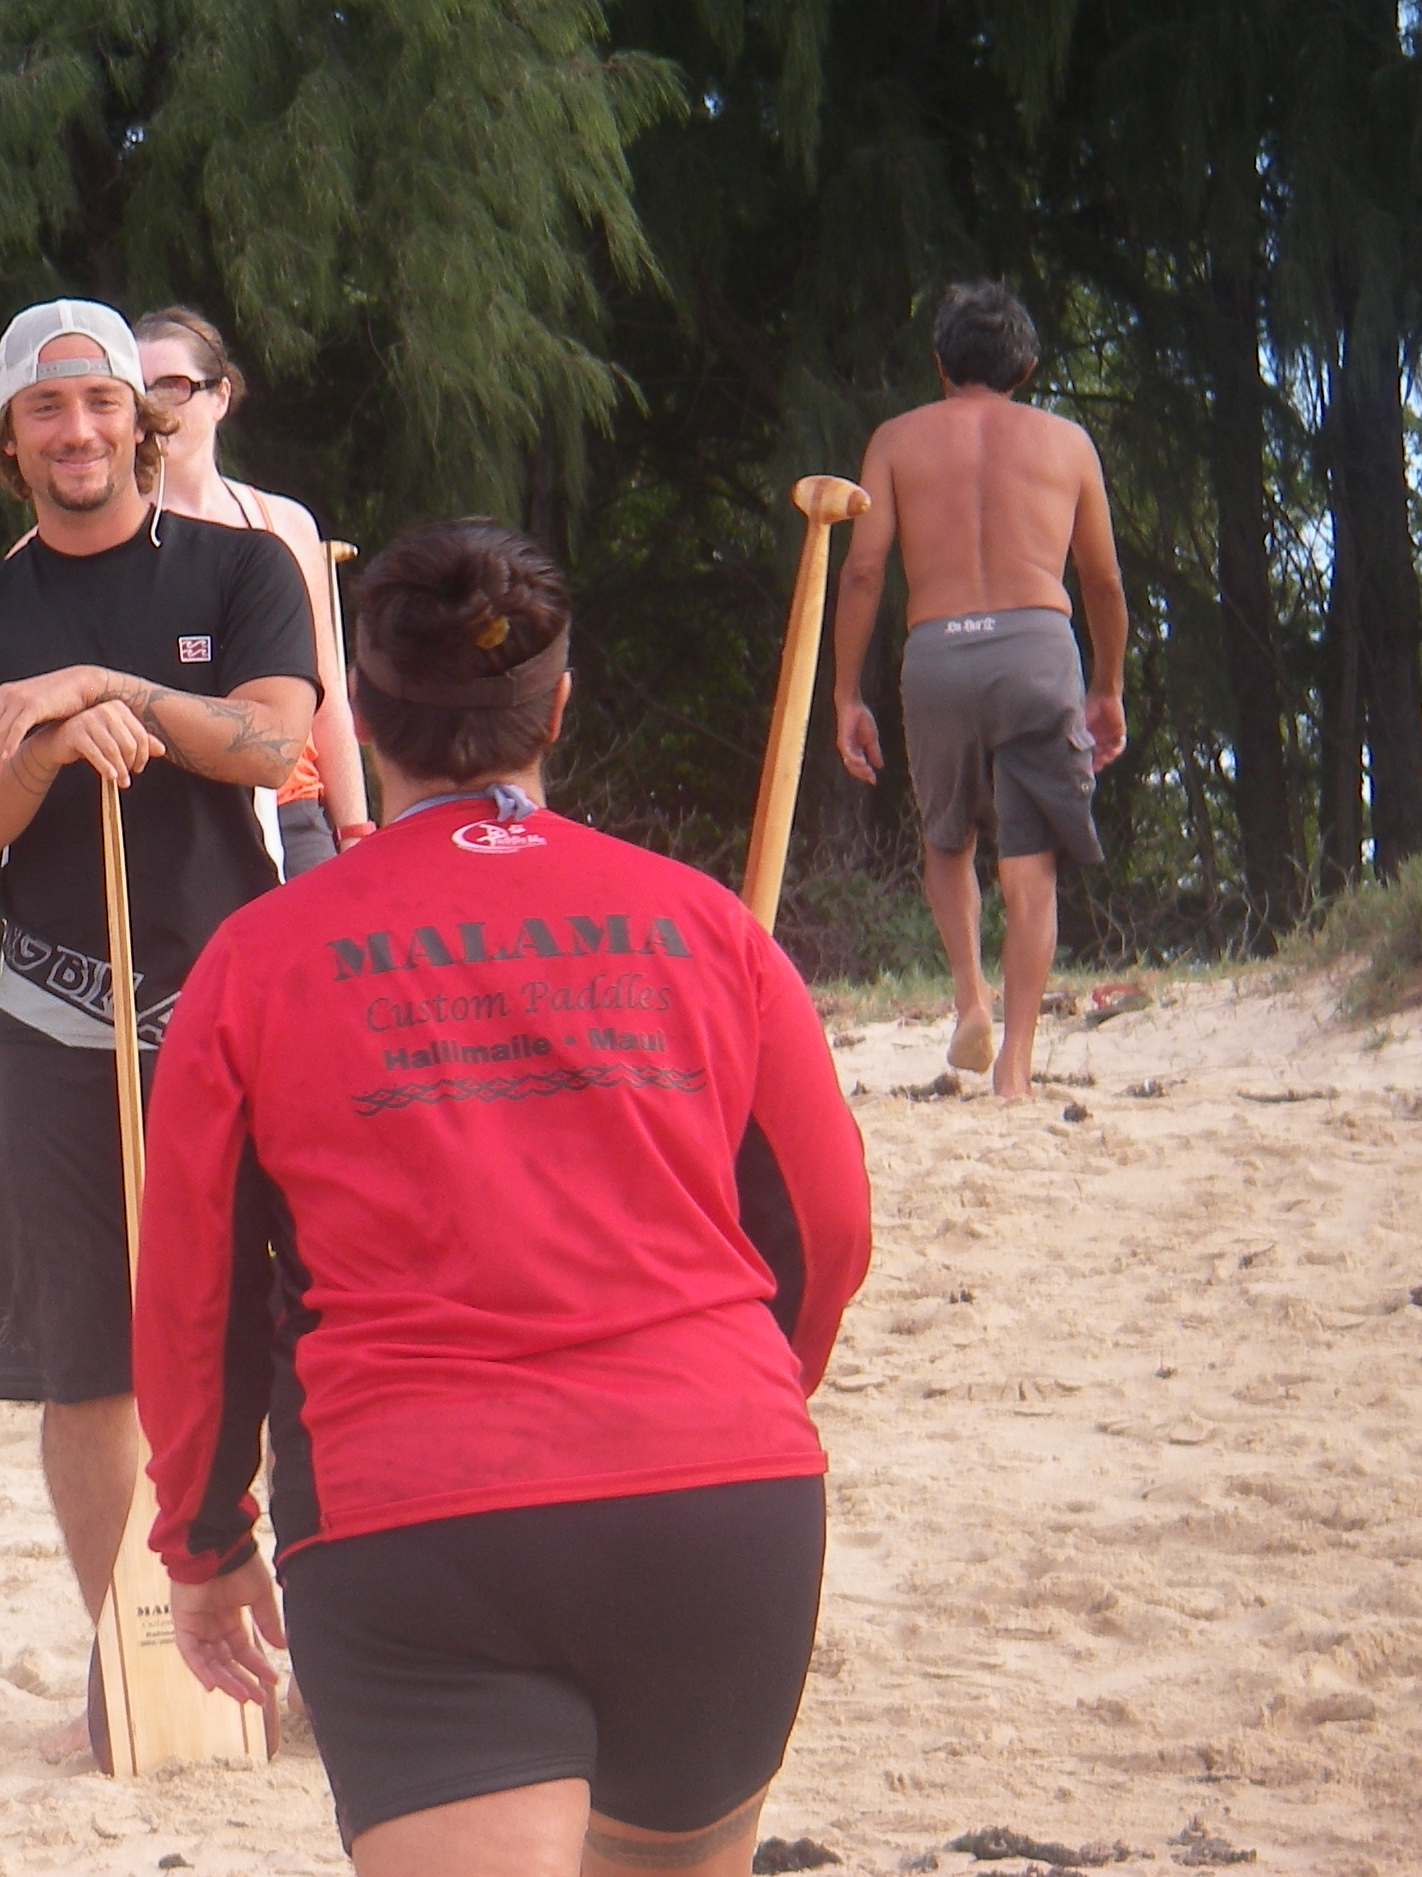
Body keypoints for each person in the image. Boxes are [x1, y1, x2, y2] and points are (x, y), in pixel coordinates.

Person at [135, 520, 871, 1877]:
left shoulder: (257, 960)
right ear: (558, 708)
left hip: (419, 1519)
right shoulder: (705, 925)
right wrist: (742, 1394)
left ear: (358, 719)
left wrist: (202, 1535)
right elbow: (825, 1228)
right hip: (718, 1488)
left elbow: (194, 1287)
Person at [0, 299, 318, 1751]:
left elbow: (277, 742)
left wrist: (110, 686)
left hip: (232, 1010)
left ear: (143, 422)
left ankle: (325, 1646)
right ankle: (130, 1654)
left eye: (99, 405)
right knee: (84, 1361)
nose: (75, 431)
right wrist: (43, 746)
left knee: (295, 1330)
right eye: (45, 409)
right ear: (6, 437)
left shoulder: (241, 568)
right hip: (57, 1022)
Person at [830, 281, 1129, 1097]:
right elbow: (1102, 581)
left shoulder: (895, 440)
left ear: (939, 362)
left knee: (946, 837)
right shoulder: (1068, 444)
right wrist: (1107, 682)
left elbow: (863, 572)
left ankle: (970, 997)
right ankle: (1016, 1066)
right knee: (1030, 863)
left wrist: (846, 694)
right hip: (1037, 649)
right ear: (1026, 368)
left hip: (938, 651)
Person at [134, 307, 372, 875]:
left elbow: (327, 698)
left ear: (220, 396)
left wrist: (355, 834)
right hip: (170, 821)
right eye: (135, 390)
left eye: (172, 386)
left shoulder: (284, 524)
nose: (153, 406)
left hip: (293, 809)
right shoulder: (100, 538)